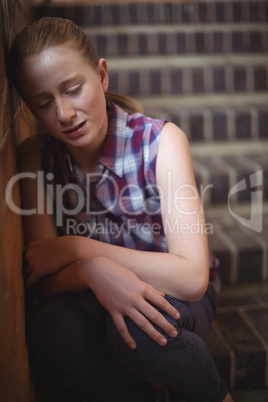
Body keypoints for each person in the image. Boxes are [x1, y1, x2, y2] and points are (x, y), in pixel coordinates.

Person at [7, 17, 233, 402]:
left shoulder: (161, 141)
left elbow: (191, 277)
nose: (63, 114)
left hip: (179, 295)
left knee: (139, 335)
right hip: (94, 293)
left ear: (102, 75)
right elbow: (43, 280)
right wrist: (94, 271)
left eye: (73, 90)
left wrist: (80, 250)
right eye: (43, 104)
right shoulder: (35, 158)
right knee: (50, 327)